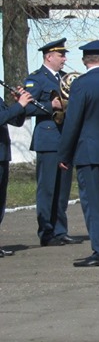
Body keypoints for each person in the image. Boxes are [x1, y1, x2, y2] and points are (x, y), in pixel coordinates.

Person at [56, 41, 99, 267]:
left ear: (85, 61)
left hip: (88, 149)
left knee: (92, 203)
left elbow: (73, 121)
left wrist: (64, 155)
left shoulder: (81, 85)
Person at [23, 39, 80, 246]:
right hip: (47, 139)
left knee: (62, 190)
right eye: (61, 55)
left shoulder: (66, 79)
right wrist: (51, 104)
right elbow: (27, 108)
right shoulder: (36, 79)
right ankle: (46, 232)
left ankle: (60, 230)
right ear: (49, 57)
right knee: (47, 188)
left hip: (65, 139)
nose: (64, 59)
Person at [0, 84, 32, 256]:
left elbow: (15, 121)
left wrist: (22, 106)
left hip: (3, 155)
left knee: (1, 201)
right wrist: (18, 105)